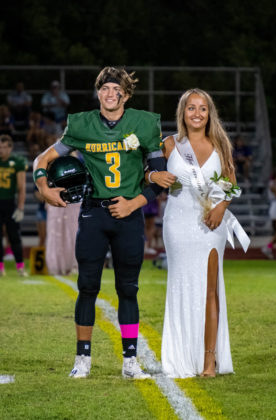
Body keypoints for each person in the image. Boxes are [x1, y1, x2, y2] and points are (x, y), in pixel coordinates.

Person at [33, 66, 165, 379]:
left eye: (116, 89)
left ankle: (130, 361)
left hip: (129, 215)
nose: (109, 93)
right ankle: (83, 359)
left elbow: (159, 176)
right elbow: (43, 160)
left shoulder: (143, 124)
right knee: (87, 286)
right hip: (93, 213)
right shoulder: (82, 124)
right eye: (104, 88)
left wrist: (134, 202)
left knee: (128, 289)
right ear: (98, 92)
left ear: (126, 95)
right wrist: (42, 185)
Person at [150, 88, 250, 378]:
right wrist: (153, 175)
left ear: (210, 113)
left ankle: (210, 359)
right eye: (191, 108)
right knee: (182, 286)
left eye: (202, 108)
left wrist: (221, 207)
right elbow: (147, 171)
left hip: (212, 224)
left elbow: (231, 182)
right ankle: (181, 355)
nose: (197, 113)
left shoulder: (220, 144)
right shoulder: (169, 144)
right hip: (178, 222)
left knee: (210, 288)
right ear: (183, 112)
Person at [0, 134, 28, 276]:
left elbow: (21, 187)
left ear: (10, 148)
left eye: (5, 147)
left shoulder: (17, 161)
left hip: (9, 203)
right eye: (0, 147)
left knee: (14, 236)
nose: (1, 150)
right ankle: (0, 268)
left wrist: (21, 207)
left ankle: (20, 267)